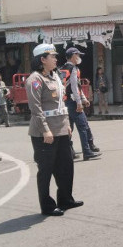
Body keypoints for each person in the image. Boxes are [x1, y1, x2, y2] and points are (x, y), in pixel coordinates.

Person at [25, 43, 83, 217]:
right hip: (45, 133)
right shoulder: (35, 80)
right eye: (53, 56)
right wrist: (45, 131)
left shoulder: (54, 77)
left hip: (61, 129)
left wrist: (66, 125)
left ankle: (66, 199)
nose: (56, 59)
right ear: (42, 59)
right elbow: (36, 109)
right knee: (46, 170)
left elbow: (60, 104)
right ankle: (47, 206)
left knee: (66, 166)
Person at [62, 48, 101, 161]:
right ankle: (87, 151)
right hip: (73, 102)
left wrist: (83, 98)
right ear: (73, 56)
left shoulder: (62, 69)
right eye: (78, 55)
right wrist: (79, 103)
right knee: (83, 126)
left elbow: (74, 86)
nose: (79, 57)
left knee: (69, 128)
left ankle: (70, 151)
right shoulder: (73, 68)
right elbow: (74, 87)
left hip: (65, 102)